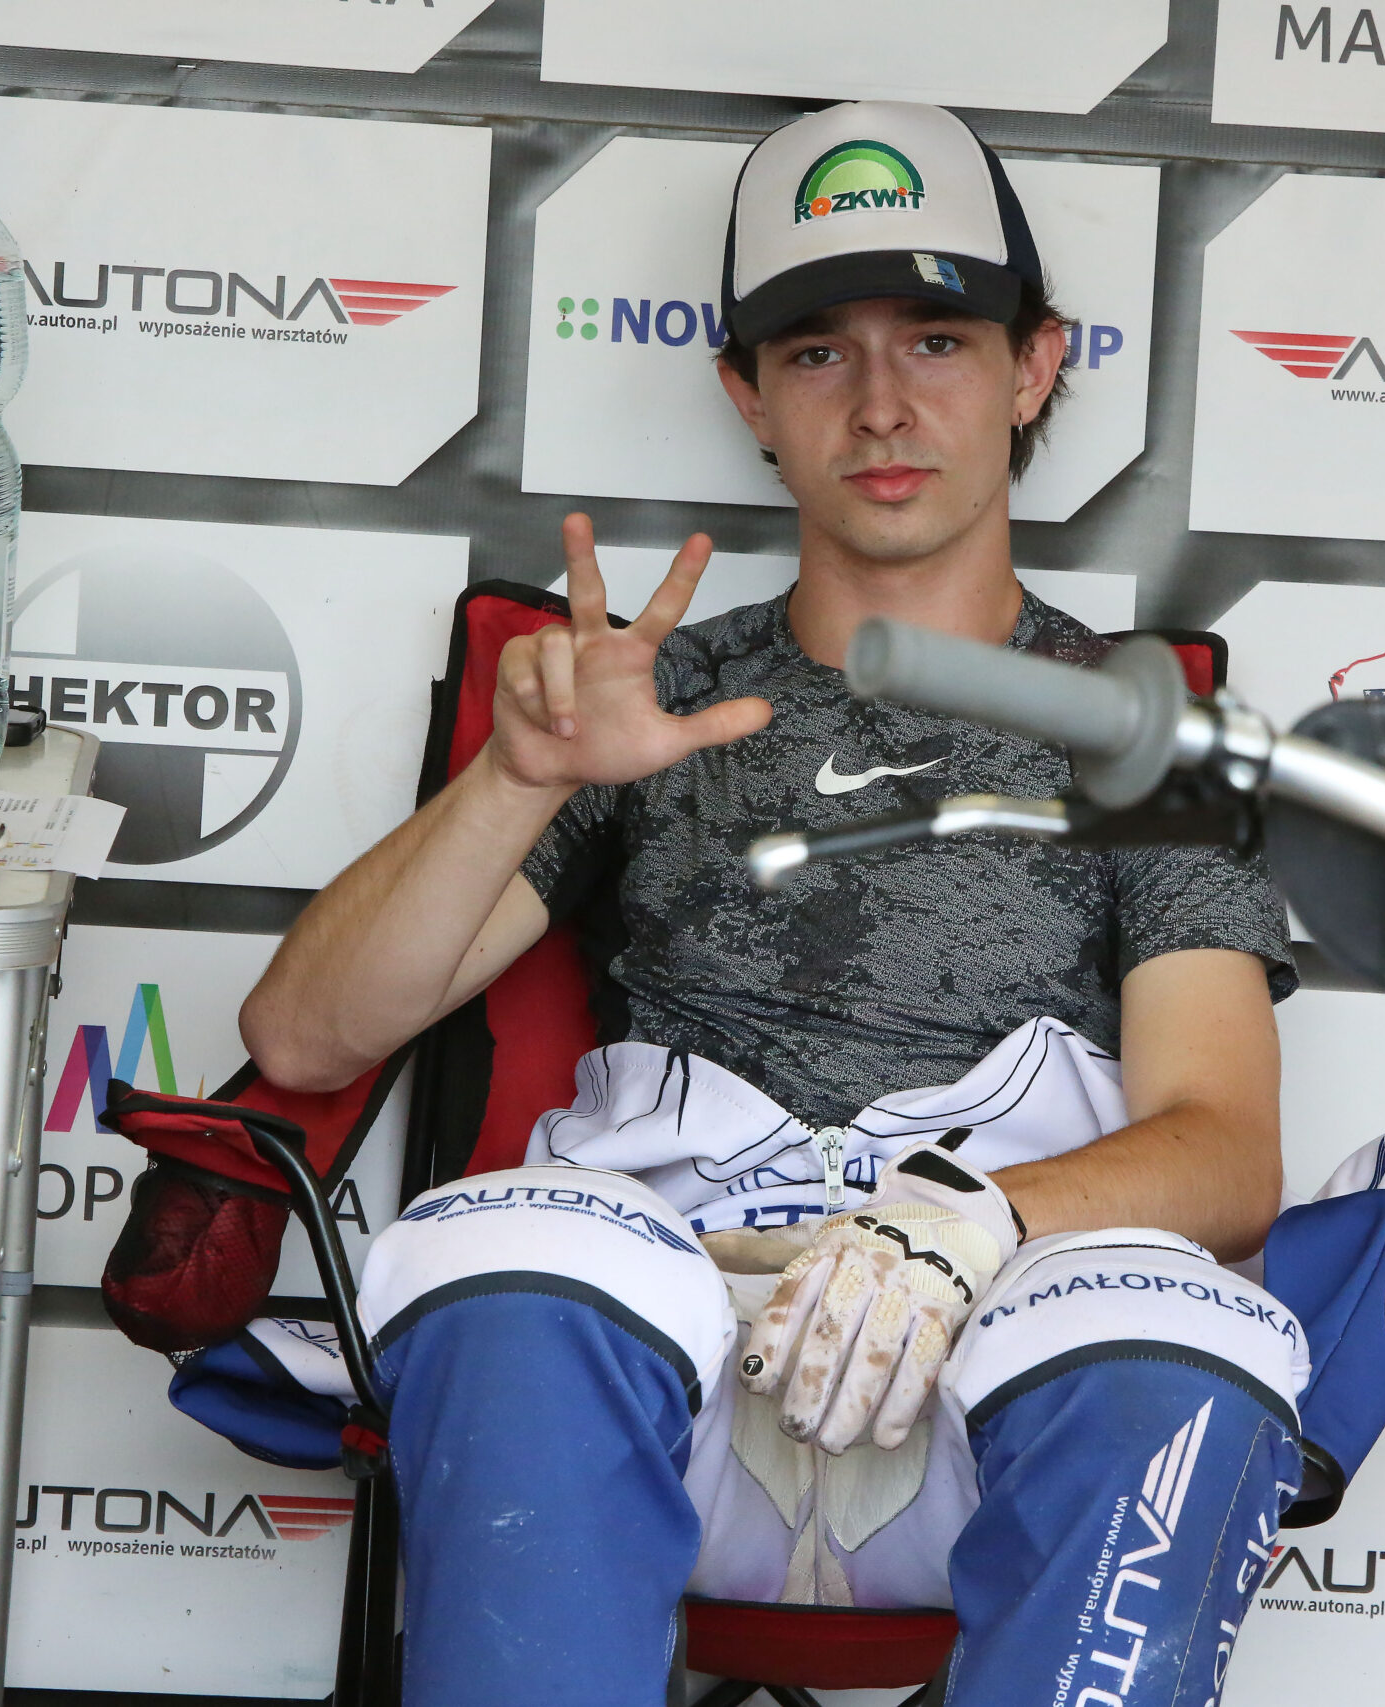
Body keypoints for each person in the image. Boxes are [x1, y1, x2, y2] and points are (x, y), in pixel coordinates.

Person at [238, 100, 1308, 1707]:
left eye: (937, 340)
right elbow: (305, 1040)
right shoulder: (646, 700)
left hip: (987, 1378)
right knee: (512, 1265)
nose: (881, 405)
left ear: (1034, 368)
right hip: (656, 1389)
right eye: (817, 353)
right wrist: (520, 777)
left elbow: (1224, 1150)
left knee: (1179, 1349)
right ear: (747, 393)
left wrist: (966, 1225)